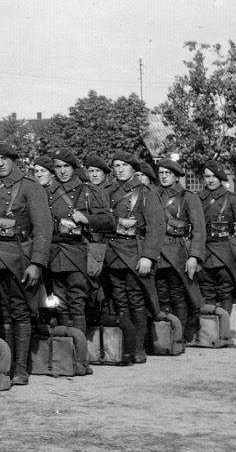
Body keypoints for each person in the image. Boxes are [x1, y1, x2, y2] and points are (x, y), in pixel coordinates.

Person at [0, 142, 52, 385]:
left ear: (14, 160)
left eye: (4, 158)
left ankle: (21, 369)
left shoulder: (30, 186)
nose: (0, 164)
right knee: (1, 312)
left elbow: (43, 228)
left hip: (21, 256)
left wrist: (37, 262)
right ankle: (6, 366)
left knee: (21, 311)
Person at [102, 153, 165, 365]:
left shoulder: (145, 192)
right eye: (116, 165)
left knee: (136, 300)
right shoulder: (109, 191)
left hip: (134, 253)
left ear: (133, 168)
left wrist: (148, 256)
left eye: (124, 166)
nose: (119, 169)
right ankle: (125, 347)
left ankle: (138, 347)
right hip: (113, 253)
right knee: (119, 300)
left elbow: (156, 227)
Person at [47, 151, 113, 334]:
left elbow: (108, 220)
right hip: (56, 253)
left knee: (77, 303)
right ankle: (66, 352)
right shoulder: (48, 192)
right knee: (59, 304)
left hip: (78, 253)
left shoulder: (88, 191)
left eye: (66, 166)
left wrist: (87, 219)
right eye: (58, 167)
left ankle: (80, 354)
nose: (62, 171)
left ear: (74, 168)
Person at [154, 159, 206, 341]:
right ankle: (165, 336)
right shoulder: (153, 194)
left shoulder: (188, 197)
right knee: (161, 294)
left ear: (176, 176)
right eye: (161, 173)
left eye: (168, 173)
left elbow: (199, 229)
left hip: (177, 252)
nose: (164, 176)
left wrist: (194, 256)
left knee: (178, 295)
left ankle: (178, 336)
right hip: (156, 253)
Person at [197, 161, 236, 317]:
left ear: (221, 178)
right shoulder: (197, 200)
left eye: (214, 177)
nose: (210, 180)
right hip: (205, 251)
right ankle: (209, 333)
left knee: (225, 292)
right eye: (207, 176)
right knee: (206, 290)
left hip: (226, 252)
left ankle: (223, 329)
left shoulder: (234, 199)